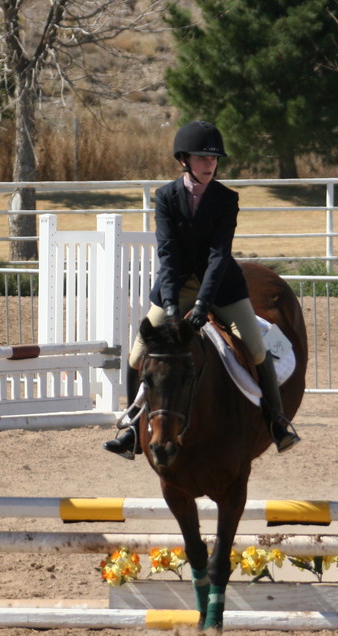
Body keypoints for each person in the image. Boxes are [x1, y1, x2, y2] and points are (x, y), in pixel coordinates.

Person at [103, 120, 300, 459]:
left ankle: (276, 422)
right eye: (202, 159)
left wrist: (203, 304)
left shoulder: (226, 199)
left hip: (221, 286)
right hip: (175, 285)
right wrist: (169, 307)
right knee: (137, 355)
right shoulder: (166, 197)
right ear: (184, 161)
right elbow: (167, 252)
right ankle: (133, 429)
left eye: (213, 160)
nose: (210, 165)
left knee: (255, 349)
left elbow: (218, 254)